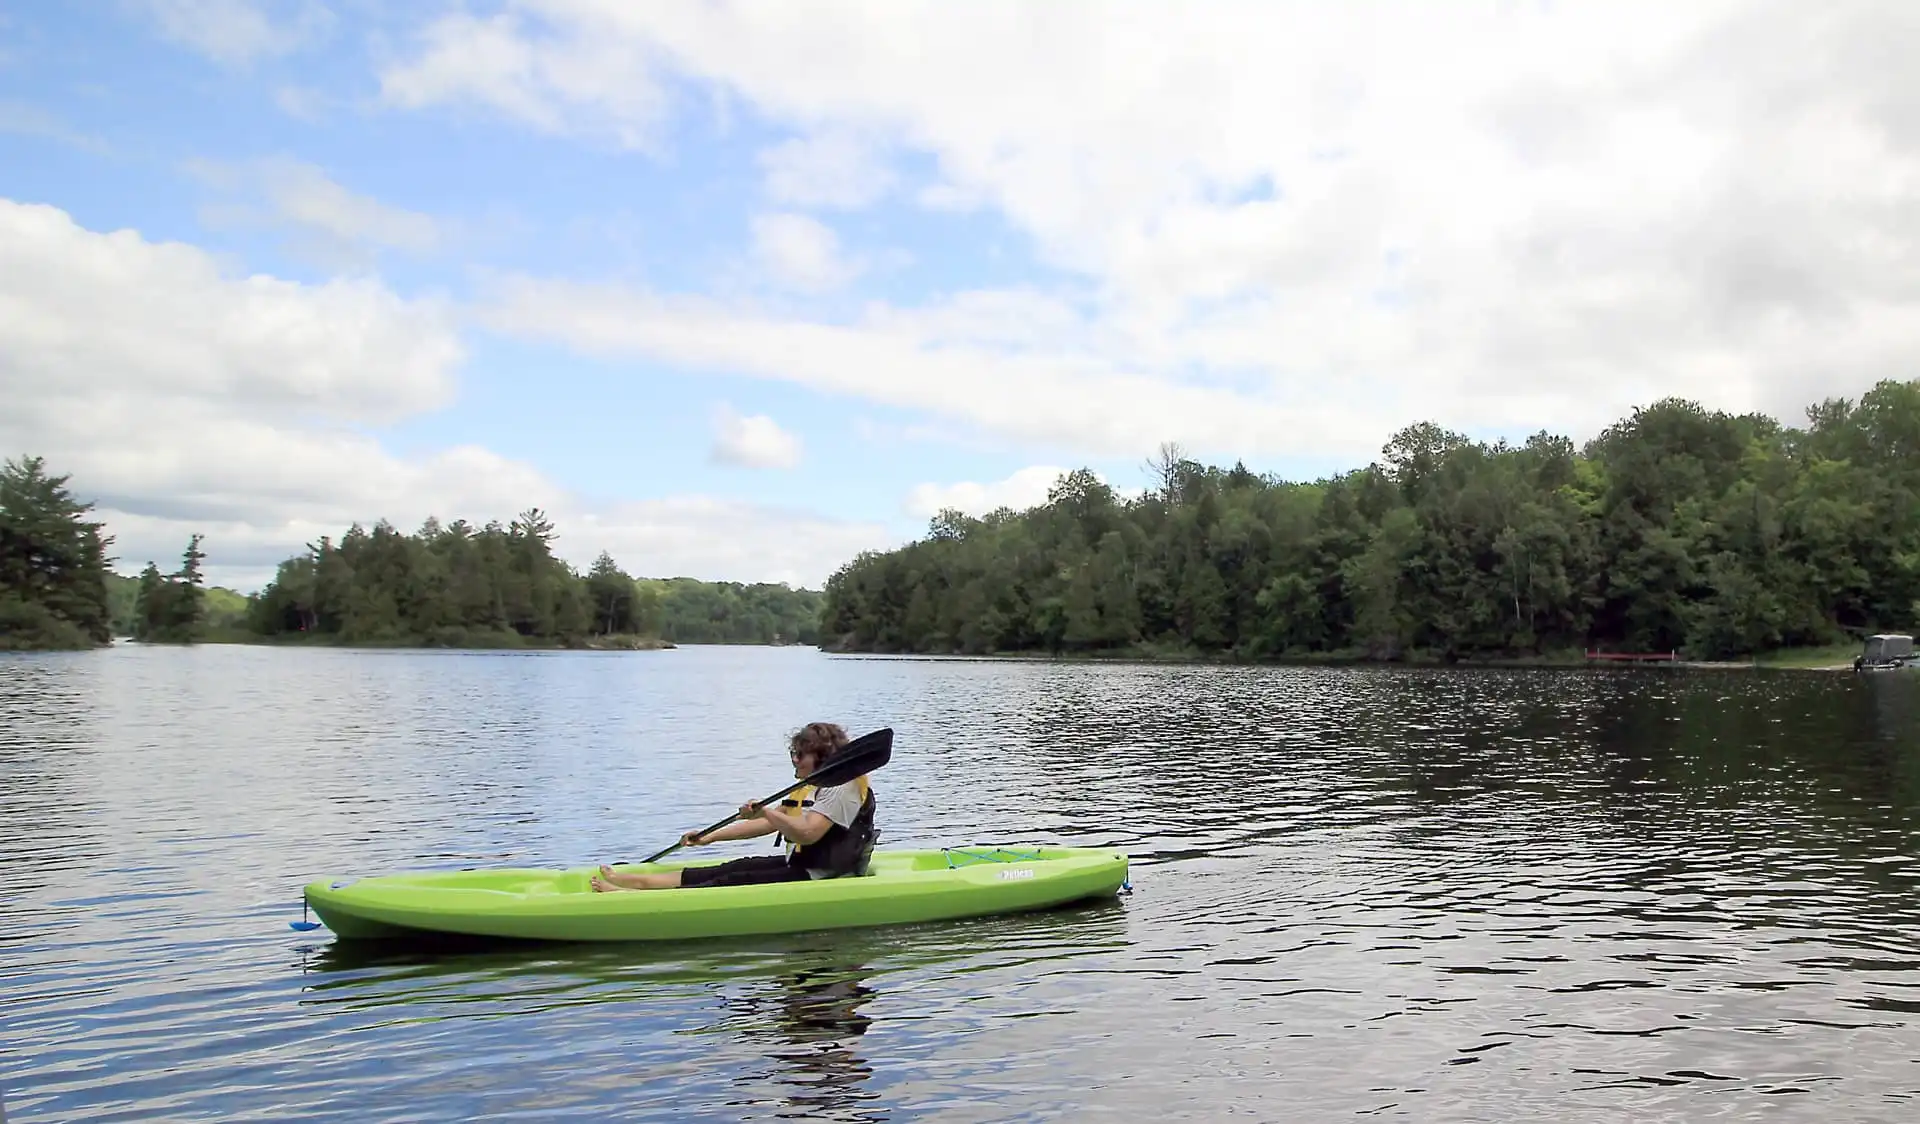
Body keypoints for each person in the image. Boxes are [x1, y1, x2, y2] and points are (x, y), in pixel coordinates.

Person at [591, 721, 878, 891]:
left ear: (822, 755)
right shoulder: (815, 783)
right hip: (804, 866)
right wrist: (710, 837)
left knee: (735, 878)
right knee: (732, 867)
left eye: (800, 754)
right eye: (794, 753)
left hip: (826, 875)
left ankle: (625, 897)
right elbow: (769, 823)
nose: (794, 760)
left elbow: (808, 834)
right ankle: (631, 881)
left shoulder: (842, 787)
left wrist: (765, 810)